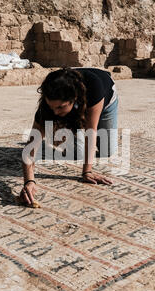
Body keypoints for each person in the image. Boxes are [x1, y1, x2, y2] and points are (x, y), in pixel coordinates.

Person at [20, 67, 119, 206]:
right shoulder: (48, 106)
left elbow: (91, 132)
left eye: (60, 107)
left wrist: (87, 172)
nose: (54, 111)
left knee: (106, 150)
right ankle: (63, 130)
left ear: (74, 99)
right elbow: (29, 148)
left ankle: (67, 129)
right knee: (76, 153)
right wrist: (29, 182)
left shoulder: (94, 89)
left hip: (106, 100)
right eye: (52, 106)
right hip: (76, 108)